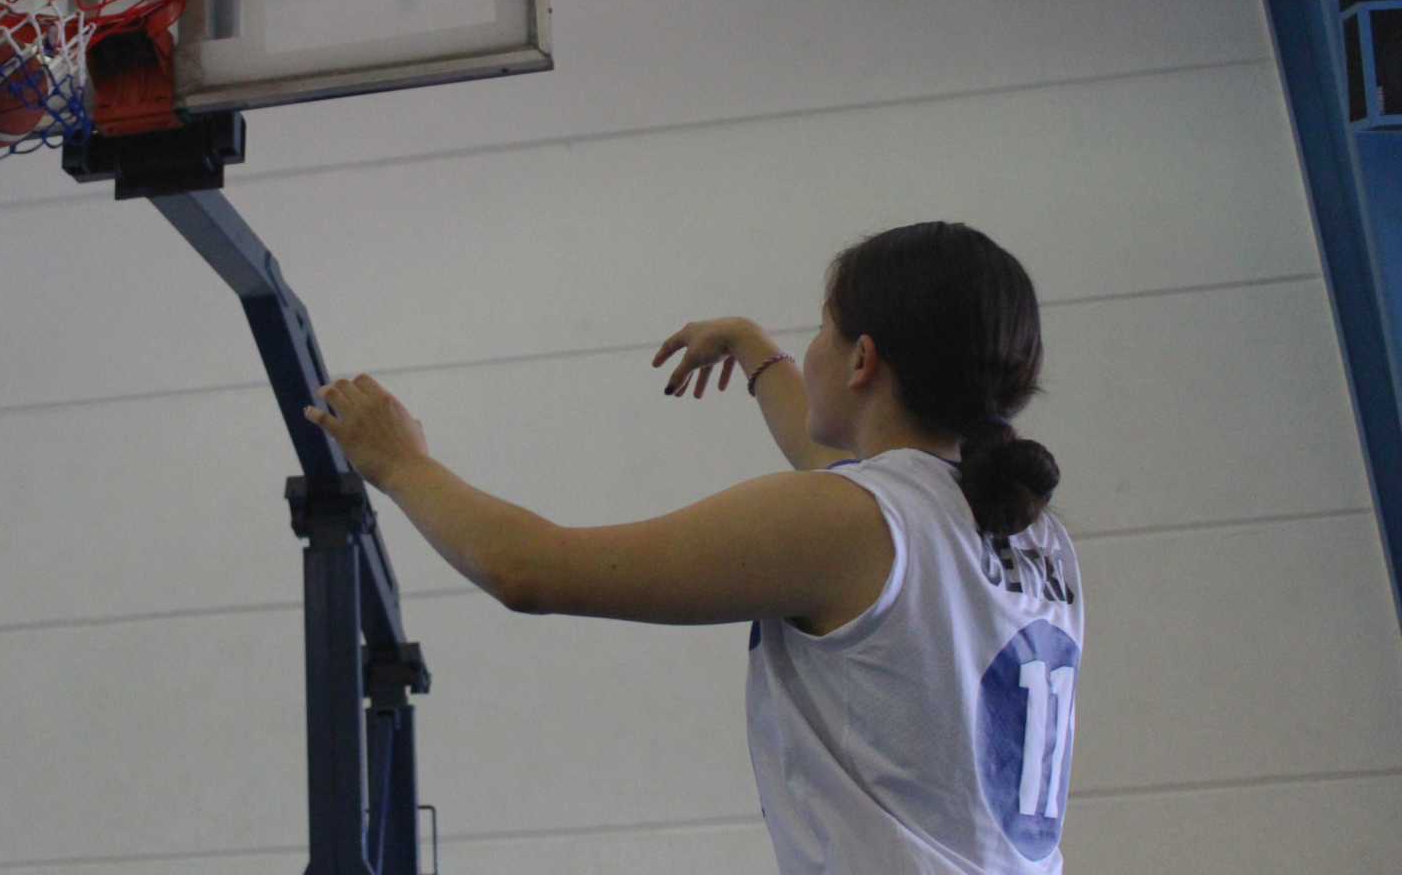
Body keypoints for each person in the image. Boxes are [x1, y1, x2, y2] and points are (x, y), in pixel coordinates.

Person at [304, 221, 1082, 875]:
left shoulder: (849, 523)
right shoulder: (1025, 530)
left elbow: (528, 569)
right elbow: (835, 476)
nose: (808, 350)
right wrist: (752, 348)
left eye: (822, 329)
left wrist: (400, 462)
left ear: (861, 361)